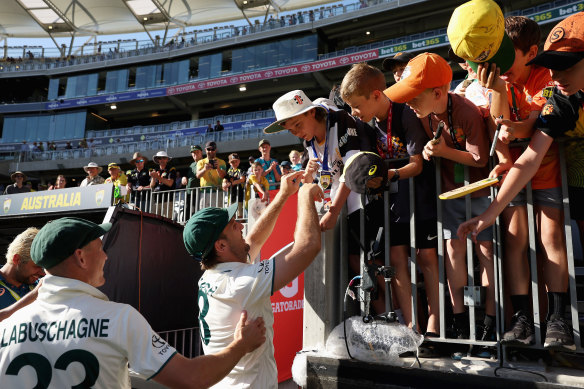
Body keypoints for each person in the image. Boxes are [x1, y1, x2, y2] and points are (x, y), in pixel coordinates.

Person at [0, 217, 266, 388]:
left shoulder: (5, 329)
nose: (106, 256)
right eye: (99, 247)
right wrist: (242, 345)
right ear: (81, 257)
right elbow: (192, 378)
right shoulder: (119, 318)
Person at [458, 12, 584, 351]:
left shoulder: (545, 82)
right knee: (518, 243)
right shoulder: (560, 95)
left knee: (551, 239)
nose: (557, 75)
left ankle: (556, 318)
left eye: (566, 65)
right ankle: (530, 320)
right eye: (554, 65)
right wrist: (489, 210)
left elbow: (526, 127)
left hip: (553, 174)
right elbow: (514, 138)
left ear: (529, 54)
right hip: (529, 174)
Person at [384, 52, 495, 347]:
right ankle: (460, 321)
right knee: (454, 255)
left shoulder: (467, 112)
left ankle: (491, 321)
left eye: (413, 96)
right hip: (449, 194)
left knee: (486, 255)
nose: (408, 102)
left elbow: (480, 157)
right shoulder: (425, 115)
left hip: (481, 192)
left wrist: (442, 151)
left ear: (437, 92)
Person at [183, 173, 322, 388]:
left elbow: (253, 240)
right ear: (221, 247)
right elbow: (308, 246)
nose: (241, 226)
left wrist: (284, 195)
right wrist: (304, 194)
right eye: (233, 226)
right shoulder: (241, 283)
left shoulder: (216, 272)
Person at [341, 62, 440, 339]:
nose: (354, 113)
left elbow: (417, 164)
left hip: (420, 200)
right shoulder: (367, 124)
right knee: (396, 258)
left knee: (427, 258)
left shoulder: (405, 113)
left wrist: (387, 174)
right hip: (394, 205)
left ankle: (435, 323)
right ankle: (412, 326)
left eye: (356, 106)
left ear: (375, 95)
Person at [264, 90, 377, 231]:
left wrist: (333, 212)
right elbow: (310, 180)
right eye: (291, 131)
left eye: (298, 125)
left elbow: (352, 169)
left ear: (311, 112)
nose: (297, 133)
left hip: (363, 201)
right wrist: (308, 176)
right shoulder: (308, 140)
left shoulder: (340, 120)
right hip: (340, 206)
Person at [0, 228, 44, 310]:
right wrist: (32, 296)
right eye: (37, 266)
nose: (42, 273)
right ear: (17, 259)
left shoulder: (41, 286)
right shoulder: (37, 290)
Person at [196, 141, 227, 209]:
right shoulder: (201, 162)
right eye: (208, 149)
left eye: (212, 149)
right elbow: (198, 176)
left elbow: (223, 176)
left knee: (217, 215)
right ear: (205, 150)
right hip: (204, 192)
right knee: (204, 215)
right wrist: (204, 169)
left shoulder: (221, 162)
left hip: (218, 192)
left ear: (216, 150)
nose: (210, 151)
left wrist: (218, 168)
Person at [150, 151, 177, 218]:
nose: (162, 160)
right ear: (157, 160)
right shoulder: (155, 170)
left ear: (167, 159)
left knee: (167, 221)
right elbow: (151, 186)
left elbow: (170, 183)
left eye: (164, 158)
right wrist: (153, 177)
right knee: (155, 221)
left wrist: (158, 177)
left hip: (167, 200)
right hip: (156, 200)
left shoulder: (171, 169)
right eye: (160, 158)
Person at [222, 153, 246, 218]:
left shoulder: (241, 169)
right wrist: (224, 184)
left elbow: (242, 179)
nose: (234, 163)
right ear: (229, 163)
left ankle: (241, 225)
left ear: (239, 161)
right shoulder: (229, 171)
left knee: (240, 213)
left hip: (239, 195)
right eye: (232, 162)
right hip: (231, 196)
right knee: (231, 214)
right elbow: (225, 179)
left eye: (236, 161)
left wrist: (232, 183)